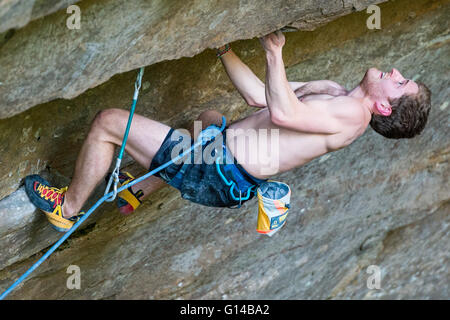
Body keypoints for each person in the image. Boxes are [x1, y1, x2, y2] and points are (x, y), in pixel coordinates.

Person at [24, 31, 432, 232]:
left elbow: (285, 113)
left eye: (400, 83)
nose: (395, 72)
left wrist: (274, 53)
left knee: (108, 123)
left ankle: (68, 209)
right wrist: (223, 47)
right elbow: (260, 96)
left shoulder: (351, 116)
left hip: (213, 170)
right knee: (210, 116)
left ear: (383, 106)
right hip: (220, 163)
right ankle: (138, 190)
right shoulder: (334, 91)